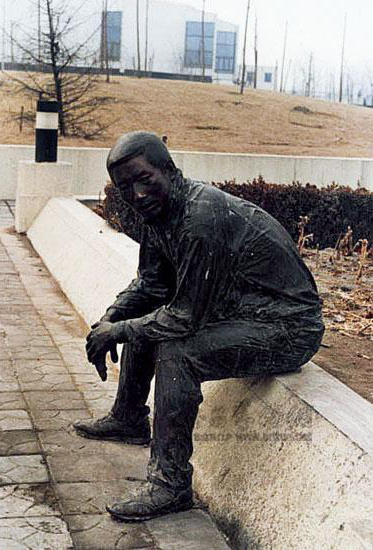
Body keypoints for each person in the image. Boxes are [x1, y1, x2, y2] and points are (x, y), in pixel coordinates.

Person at [74, 131, 324, 522]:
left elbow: (185, 319)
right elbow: (152, 285)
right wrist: (110, 318)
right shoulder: (158, 214)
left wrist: (120, 331)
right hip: (240, 312)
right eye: (126, 188)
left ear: (168, 170)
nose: (137, 194)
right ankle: (129, 417)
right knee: (147, 319)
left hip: (289, 326)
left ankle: (170, 485)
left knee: (178, 351)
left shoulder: (200, 218)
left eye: (144, 179)